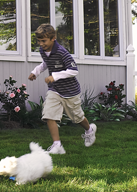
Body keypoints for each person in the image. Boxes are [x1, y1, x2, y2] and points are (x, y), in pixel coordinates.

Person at [28, 24, 96, 154]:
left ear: (53, 38)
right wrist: (35, 72)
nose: (41, 44)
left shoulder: (62, 52)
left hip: (70, 91)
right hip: (55, 90)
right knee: (49, 114)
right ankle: (57, 145)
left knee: (77, 117)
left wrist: (54, 76)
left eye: (44, 41)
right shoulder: (43, 51)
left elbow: (73, 70)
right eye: (39, 41)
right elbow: (46, 63)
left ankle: (89, 130)